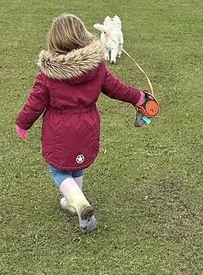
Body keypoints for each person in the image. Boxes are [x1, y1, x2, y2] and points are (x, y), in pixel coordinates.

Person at [16, 13, 150, 233]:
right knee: (77, 167)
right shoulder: (96, 68)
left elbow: (35, 103)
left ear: (54, 40)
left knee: (59, 171)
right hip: (88, 127)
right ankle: (76, 207)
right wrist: (138, 97)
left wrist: (23, 123)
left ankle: (79, 203)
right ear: (82, 36)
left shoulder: (48, 74)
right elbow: (116, 88)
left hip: (60, 132)